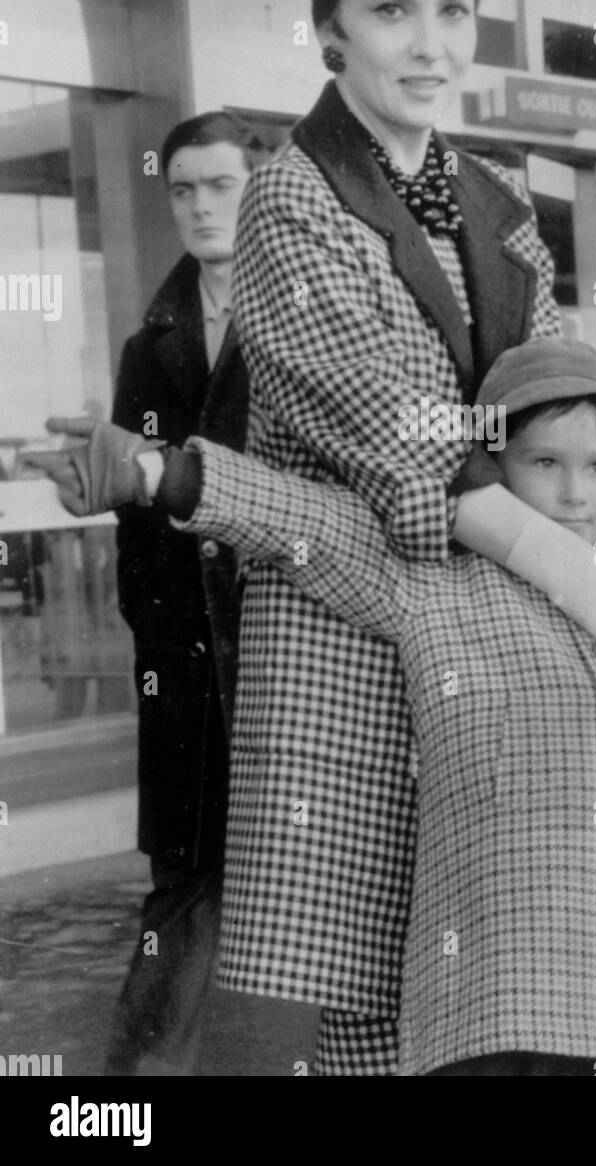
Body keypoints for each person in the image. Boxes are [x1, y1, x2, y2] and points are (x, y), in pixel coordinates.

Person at [31, 0, 596, 1078]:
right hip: (344, 658)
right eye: (392, 7)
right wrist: (591, 572)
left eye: (455, 7)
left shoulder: (495, 201)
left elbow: (558, 405)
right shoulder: (290, 203)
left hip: (482, 649)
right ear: (329, 25)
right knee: (363, 1014)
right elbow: (399, 440)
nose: (431, 42)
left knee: (501, 989)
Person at [32, 338, 596, 1075]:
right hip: (518, 985)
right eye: (545, 463)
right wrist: (149, 471)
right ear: (492, 466)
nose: (577, 492)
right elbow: (308, 521)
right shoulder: (433, 581)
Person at [97, 112, 256, 1074]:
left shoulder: (307, 318)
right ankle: (130, 1099)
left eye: (220, 186)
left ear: (259, 188)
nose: (200, 206)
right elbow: (134, 516)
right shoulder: (146, 350)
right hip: (190, 664)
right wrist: (163, 646)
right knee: (186, 884)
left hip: (293, 647)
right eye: (184, 190)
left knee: (351, 876)